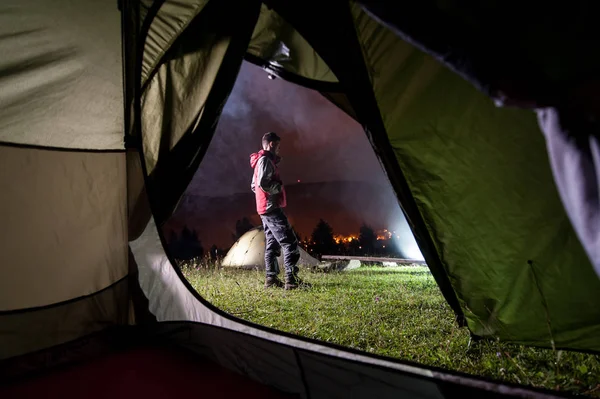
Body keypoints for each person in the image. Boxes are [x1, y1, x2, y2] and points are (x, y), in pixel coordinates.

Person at [250, 132, 309, 290]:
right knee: (290, 242)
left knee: (272, 244)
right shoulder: (265, 160)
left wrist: (264, 197)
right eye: (278, 146)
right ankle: (291, 280)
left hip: (264, 208)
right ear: (271, 144)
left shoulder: (259, 161)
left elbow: (253, 186)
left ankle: (271, 279)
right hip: (271, 208)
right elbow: (262, 183)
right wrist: (277, 188)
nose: (279, 149)